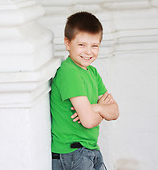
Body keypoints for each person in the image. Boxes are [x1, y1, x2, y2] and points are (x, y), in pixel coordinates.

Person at [50, 12, 119, 170]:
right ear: (68, 44)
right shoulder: (70, 72)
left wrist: (96, 107)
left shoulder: (92, 72)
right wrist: (100, 110)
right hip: (72, 152)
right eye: (82, 45)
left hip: (89, 149)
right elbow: (88, 121)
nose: (88, 51)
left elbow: (115, 111)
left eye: (94, 46)